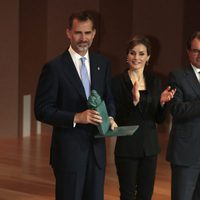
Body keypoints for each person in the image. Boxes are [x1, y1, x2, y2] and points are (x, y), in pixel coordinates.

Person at [34, 11, 117, 200]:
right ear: (68, 33)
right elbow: (41, 110)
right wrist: (76, 117)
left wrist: (109, 117)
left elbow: (109, 99)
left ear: (94, 33)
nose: (83, 38)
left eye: (87, 33)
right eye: (78, 33)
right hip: (69, 153)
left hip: (97, 153)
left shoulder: (102, 63)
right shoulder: (54, 68)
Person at [112, 35, 176, 200]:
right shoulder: (117, 82)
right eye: (132, 53)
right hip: (127, 148)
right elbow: (118, 117)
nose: (136, 58)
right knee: (127, 195)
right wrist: (134, 102)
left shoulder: (155, 81)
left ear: (148, 57)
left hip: (149, 148)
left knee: (145, 195)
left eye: (141, 54)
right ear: (127, 55)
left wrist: (162, 103)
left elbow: (159, 119)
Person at [166, 31, 200, 200]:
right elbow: (176, 109)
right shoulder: (177, 76)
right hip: (186, 154)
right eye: (196, 51)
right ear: (188, 52)